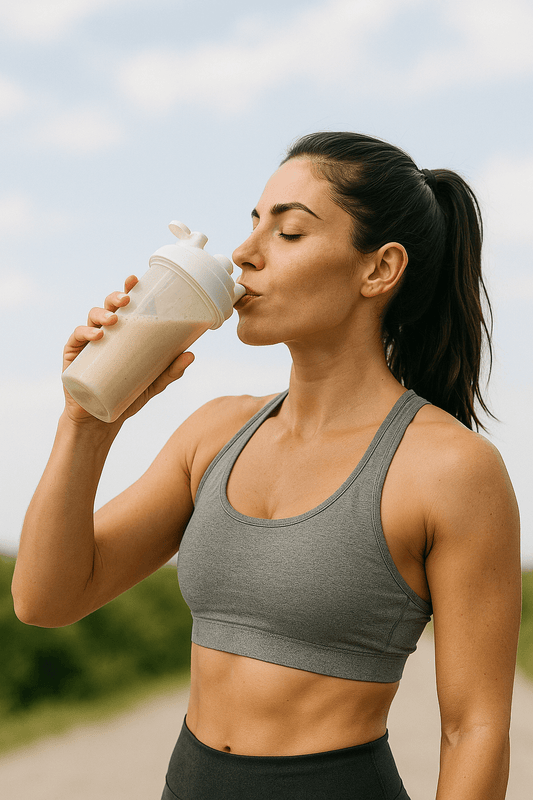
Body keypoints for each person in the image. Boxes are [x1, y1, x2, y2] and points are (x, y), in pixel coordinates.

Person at [13, 132, 521, 800]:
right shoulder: (215, 432)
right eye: (253, 224)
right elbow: (47, 599)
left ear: (378, 269)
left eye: (288, 232)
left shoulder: (450, 469)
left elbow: (473, 730)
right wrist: (88, 421)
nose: (244, 254)